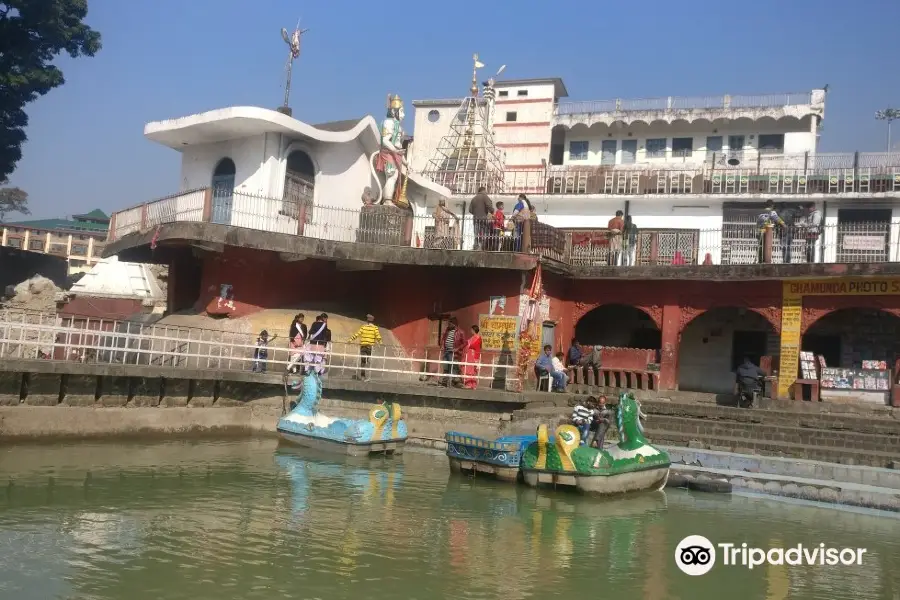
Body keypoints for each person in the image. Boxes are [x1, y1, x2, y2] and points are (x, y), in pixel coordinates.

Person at [348, 314, 382, 381]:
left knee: (363, 362)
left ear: (367, 320)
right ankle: (368, 377)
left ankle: (363, 376)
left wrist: (350, 340)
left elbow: (357, 334)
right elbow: (378, 336)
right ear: (373, 321)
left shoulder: (363, 327)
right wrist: (381, 343)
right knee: (368, 361)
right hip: (369, 347)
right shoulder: (375, 328)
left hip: (363, 346)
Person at [440, 318, 466, 386]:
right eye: (449, 323)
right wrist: (442, 345)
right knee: (446, 366)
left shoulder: (460, 332)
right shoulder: (447, 330)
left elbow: (464, 343)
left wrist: (457, 349)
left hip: (453, 352)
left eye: (450, 323)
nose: (449, 325)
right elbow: (443, 339)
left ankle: (455, 382)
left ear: (454, 324)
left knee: (453, 367)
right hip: (446, 351)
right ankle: (445, 381)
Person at [462, 325, 482, 389]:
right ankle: (469, 384)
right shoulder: (473, 337)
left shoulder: (478, 338)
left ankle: (472, 385)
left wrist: (469, 345)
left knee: (472, 370)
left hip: (474, 356)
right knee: (468, 369)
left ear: (473, 330)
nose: (471, 331)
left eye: (471, 330)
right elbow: (467, 343)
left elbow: (474, 346)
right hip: (469, 355)